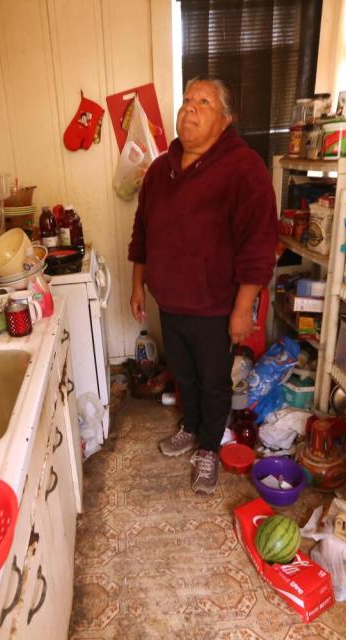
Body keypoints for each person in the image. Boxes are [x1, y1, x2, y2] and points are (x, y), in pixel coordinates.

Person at [127, 76, 277, 494]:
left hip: (216, 303)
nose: (189, 108)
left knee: (214, 381)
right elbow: (142, 232)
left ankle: (209, 446)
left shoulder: (244, 168)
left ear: (226, 119)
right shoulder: (160, 170)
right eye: (187, 100)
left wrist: (242, 306)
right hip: (170, 299)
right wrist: (139, 285)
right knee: (184, 374)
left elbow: (259, 243)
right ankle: (190, 427)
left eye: (204, 102)